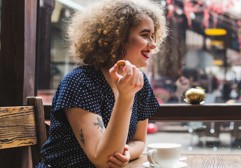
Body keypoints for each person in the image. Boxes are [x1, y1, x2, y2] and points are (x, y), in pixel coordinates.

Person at [36, 0, 167, 167]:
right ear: (117, 38)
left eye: (153, 36)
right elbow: (103, 160)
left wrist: (125, 153)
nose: (153, 44)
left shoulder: (139, 82)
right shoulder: (80, 82)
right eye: (144, 35)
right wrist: (126, 97)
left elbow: (139, 141)